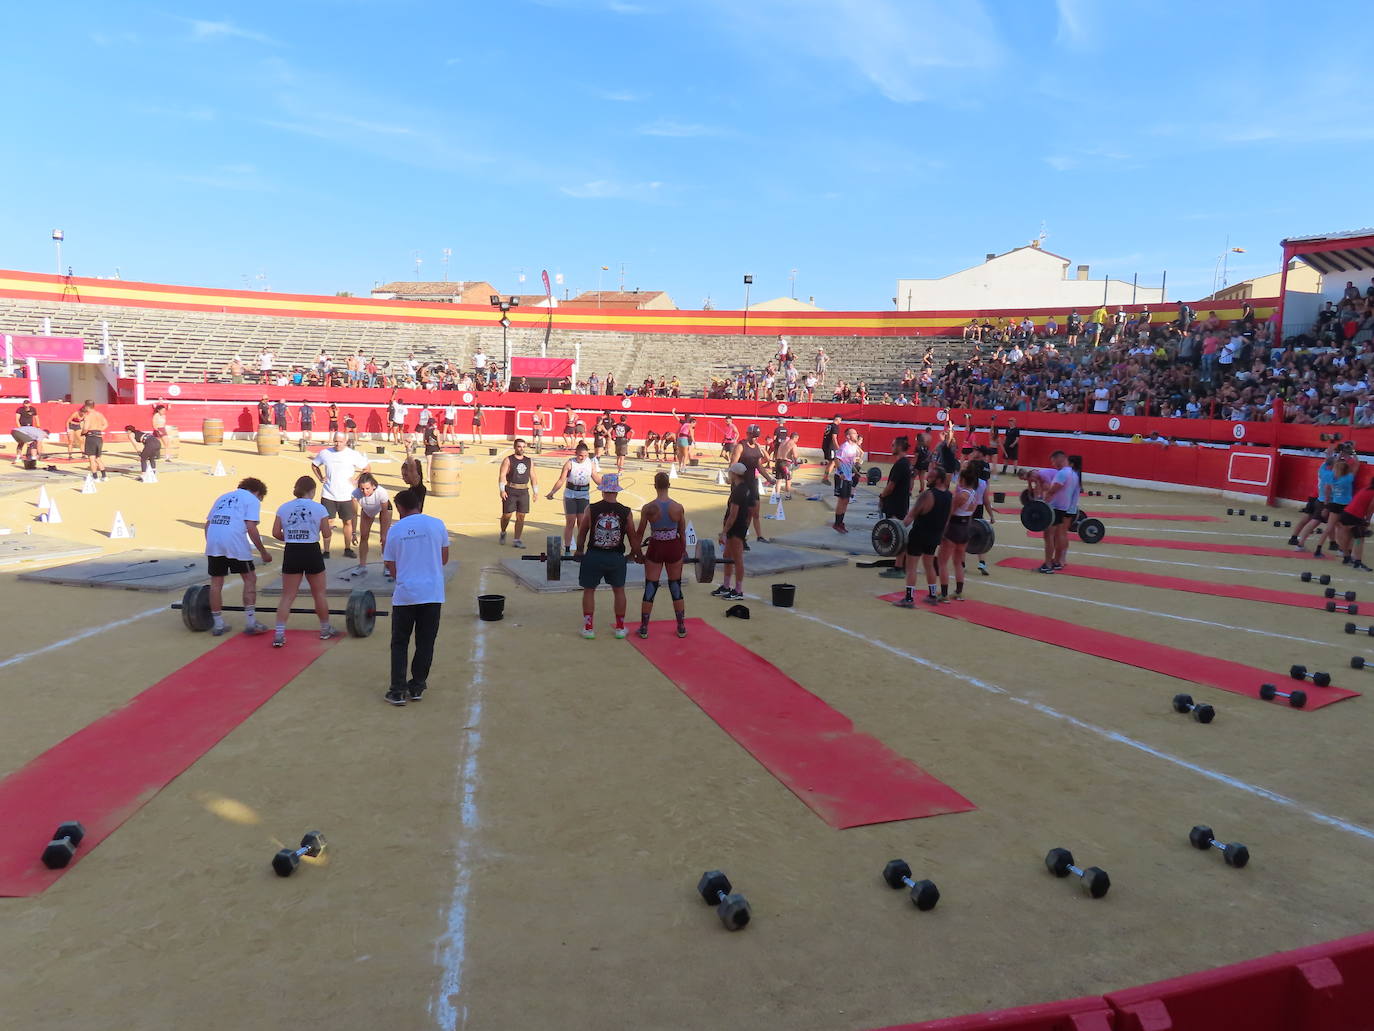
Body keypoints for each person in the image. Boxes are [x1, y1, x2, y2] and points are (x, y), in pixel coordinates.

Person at [382, 488, 450, 706]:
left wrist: (405, 576)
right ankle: (417, 686)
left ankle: (397, 690)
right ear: (418, 504)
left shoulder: (395, 530)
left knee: (400, 643)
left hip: (406, 595)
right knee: (426, 642)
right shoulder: (437, 524)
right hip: (432, 593)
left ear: (400, 508)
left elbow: (390, 565)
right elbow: (444, 558)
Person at [270, 475, 337, 648]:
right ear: (312, 490)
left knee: (288, 596)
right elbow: (327, 534)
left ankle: (279, 633)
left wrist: (291, 537)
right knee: (319, 593)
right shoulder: (319, 508)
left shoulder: (284, 508)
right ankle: (324, 629)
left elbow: (276, 532)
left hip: (292, 550)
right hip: (311, 550)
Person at [204, 476, 273, 636]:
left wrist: (213, 545)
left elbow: (207, 524)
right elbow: (251, 527)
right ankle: (250, 622)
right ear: (257, 492)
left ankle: (218, 624)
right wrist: (263, 551)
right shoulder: (252, 500)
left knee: (216, 582)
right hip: (234, 539)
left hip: (213, 539)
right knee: (250, 578)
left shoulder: (222, 497)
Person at [575, 473, 640, 640]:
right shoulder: (626, 512)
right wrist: (634, 554)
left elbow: (582, 532)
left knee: (589, 591)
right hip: (616, 557)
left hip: (594, 555)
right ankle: (619, 628)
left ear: (603, 491)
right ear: (616, 492)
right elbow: (633, 537)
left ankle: (588, 628)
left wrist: (579, 551)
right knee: (619, 591)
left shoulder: (591, 508)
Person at [634, 471, 688, 639]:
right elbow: (682, 533)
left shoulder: (648, 508)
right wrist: (683, 551)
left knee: (651, 585)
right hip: (673, 546)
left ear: (655, 486)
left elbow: (640, 532)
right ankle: (681, 627)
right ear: (669, 485)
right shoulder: (678, 507)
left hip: (656, 546)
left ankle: (644, 628)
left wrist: (637, 552)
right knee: (675, 585)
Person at [893, 468, 952, 608]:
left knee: (911, 567)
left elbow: (910, 516)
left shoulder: (927, 495)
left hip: (919, 535)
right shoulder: (950, 496)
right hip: (934, 536)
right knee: (929, 565)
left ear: (938, 479)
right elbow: (947, 520)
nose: (926, 479)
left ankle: (908, 599)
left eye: (930, 477)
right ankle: (932, 595)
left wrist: (896, 528)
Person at [311, 432, 369, 559]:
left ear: (346, 441)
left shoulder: (352, 454)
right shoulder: (325, 453)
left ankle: (347, 548)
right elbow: (314, 465)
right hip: (328, 494)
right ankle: (326, 550)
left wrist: (356, 480)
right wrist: (321, 477)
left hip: (346, 495)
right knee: (328, 522)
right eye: (336, 441)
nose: (338, 444)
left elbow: (367, 468)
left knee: (347, 522)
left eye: (340, 441)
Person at [547, 441, 602, 554]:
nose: (583, 457)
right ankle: (567, 549)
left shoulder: (590, 463)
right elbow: (561, 479)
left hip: (583, 496)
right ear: (576, 453)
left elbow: (595, 477)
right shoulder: (569, 463)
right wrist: (552, 492)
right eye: (580, 455)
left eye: (585, 455)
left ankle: (580, 549)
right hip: (570, 495)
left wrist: (606, 486)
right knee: (570, 522)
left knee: (582, 524)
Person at [937, 466, 983, 601]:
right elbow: (970, 515)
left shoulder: (960, 495)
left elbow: (949, 514)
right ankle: (958, 592)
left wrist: (941, 531)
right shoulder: (975, 494)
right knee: (958, 562)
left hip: (953, 528)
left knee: (942, 562)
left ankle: (944, 594)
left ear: (962, 479)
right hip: (965, 529)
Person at [711, 462, 750, 601]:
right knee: (727, 556)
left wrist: (724, 532)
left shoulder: (738, 491)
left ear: (734, 474)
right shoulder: (743, 487)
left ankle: (738, 590)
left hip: (736, 528)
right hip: (740, 526)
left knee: (737, 558)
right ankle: (726, 586)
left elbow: (733, 515)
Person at [877, 437, 914, 579]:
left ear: (899, 446)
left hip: (896, 505)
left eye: (893, 445)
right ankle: (898, 566)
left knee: (898, 536)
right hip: (901, 503)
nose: (891, 447)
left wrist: (881, 496)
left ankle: (900, 568)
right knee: (899, 536)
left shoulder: (901, 464)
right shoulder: (906, 463)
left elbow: (891, 486)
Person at [1039, 451, 1080, 573]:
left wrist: (1042, 504)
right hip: (1064, 508)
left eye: (1053, 461)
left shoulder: (1062, 473)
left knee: (1049, 536)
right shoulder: (1074, 474)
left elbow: (1052, 491)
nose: (1052, 464)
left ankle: (1047, 565)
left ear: (1059, 459)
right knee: (1060, 535)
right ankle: (1057, 562)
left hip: (1055, 508)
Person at [730, 424, 772, 543]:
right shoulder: (740, 446)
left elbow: (759, 465)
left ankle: (755, 536)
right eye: (753, 436)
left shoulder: (757, 447)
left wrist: (769, 478)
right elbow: (733, 464)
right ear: (748, 434)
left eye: (756, 436)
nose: (755, 438)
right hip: (741, 484)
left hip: (752, 482)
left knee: (753, 512)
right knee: (739, 514)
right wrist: (734, 480)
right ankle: (736, 538)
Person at [498, 438, 537, 547]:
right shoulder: (508, 460)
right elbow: (502, 475)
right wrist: (502, 490)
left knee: (521, 516)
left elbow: (533, 476)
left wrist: (535, 491)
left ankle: (517, 539)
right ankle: (503, 531)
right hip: (511, 489)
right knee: (507, 515)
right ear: (515, 447)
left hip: (524, 491)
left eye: (523, 447)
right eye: (519, 446)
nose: (521, 449)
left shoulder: (529, 461)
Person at [353, 472, 393, 573]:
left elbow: (384, 512)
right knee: (364, 536)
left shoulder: (382, 493)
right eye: (362, 489)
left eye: (367, 488)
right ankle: (362, 566)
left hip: (384, 509)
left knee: (384, 539)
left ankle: (387, 566)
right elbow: (354, 513)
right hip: (367, 510)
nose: (364, 491)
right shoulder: (355, 494)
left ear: (373, 486)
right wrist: (353, 532)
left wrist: (383, 533)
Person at [832, 427, 865, 534]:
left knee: (846, 501)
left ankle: (840, 522)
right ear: (848, 436)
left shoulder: (854, 447)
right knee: (842, 500)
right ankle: (837, 523)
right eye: (854, 433)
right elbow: (836, 459)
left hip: (848, 477)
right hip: (841, 477)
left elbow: (850, 463)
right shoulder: (844, 447)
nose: (856, 435)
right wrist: (841, 473)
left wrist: (857, 472)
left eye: (856, 433)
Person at [78, 400, 108, 481]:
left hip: (91, 437)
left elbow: (86, 428)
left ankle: (95, 477)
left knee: (91, 458)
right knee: (98, 458)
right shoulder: (99, 414)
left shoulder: (88, 416)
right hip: (99, 437)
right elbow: (106, 424)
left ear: (87, 406)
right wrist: (98, 430)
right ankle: (104, 476)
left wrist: (83, 433)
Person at [773, 432, 799, 501]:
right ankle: (787, 495)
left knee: (778, 480)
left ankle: (777, 496)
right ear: (795, 437)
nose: (797, 440)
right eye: (797, 439)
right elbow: (795, 456)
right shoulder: (793, 444)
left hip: (778, 462)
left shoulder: (783, 442)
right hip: (786, 463)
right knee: (788, 479)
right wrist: (796, 462)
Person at [821, 415, 842, 482]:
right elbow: (834, 438)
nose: (840, 422)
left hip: (825, 445)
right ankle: (825, 478)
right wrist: (838, 448)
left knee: (832, 461)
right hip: (830, 447)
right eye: (840, 420)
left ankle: (825, 477)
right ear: (838, 419)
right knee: (832, 461)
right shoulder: (835, 427)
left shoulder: (829, 425)